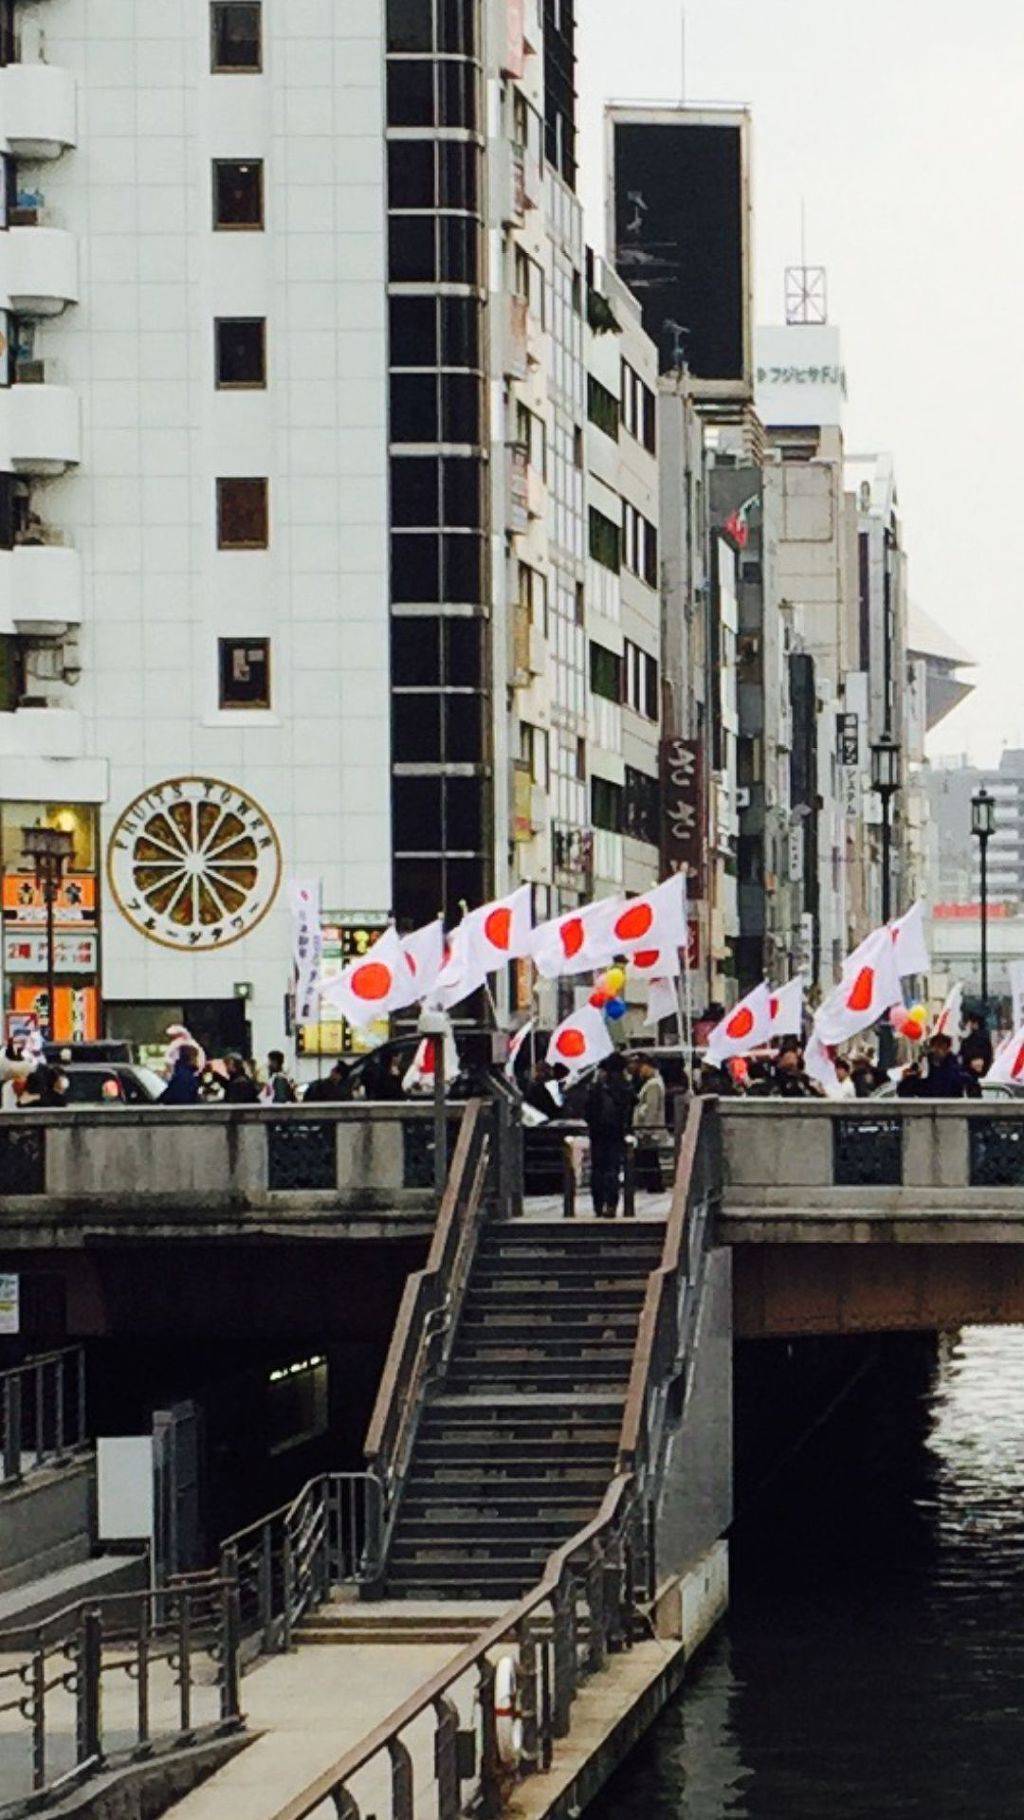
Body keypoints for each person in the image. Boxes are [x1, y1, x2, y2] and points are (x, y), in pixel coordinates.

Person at [583, 1053, 633, 1218]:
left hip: (597, 1134)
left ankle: (598, 1205)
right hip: (616, 1133)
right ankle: (611, 1204)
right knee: (613, 1169)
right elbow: (631, 1106)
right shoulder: (625, 1087)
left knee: (597, 1169)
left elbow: (587, 1111)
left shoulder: (596, 1088)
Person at [630, 1055, 666, 1192]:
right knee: (649, 1157)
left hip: (650, 1129)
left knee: (650, 1158)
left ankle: (654, 1185)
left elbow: (651, 1108)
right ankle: (652, 1184)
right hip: (649, 1128)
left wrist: (646, 1128)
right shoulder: (654, 1082)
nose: (641, 1070)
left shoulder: (654, 1084)